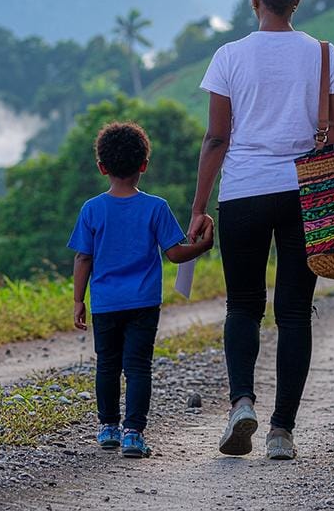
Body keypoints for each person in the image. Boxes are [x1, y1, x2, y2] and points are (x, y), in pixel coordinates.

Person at [186, 0, 334, 460]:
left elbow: (217, 138)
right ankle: (282, 433)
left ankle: (241, 403)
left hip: (243, 193)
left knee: (243, 305)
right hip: (305, 195)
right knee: (295, 312)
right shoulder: (324, 55)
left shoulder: (229, 56)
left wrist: (198, 206)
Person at [69, 121, 214, 459]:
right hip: (144, 303)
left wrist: (78, 300)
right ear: (144, 165)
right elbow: (175, 253)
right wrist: (204, 247)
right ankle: (133, 434)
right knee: (137, 367)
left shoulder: (92, 209)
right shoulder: (156, 207)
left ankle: (108, 428)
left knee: (107, 365)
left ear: (102, 167)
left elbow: (83, 258)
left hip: (105, 303)